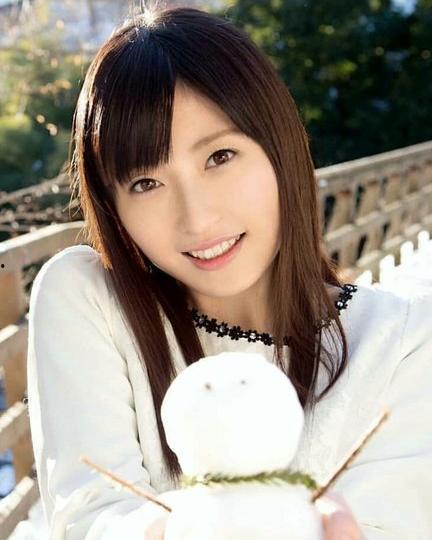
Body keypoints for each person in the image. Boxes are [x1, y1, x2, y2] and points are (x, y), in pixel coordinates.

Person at [26, 4, 432, 540]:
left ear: (279, 148)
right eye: (146, 184)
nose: (197, 219)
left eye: (219, 157)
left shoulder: (401, 340)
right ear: (113, 207)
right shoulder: (90, 302)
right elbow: (90, 517)